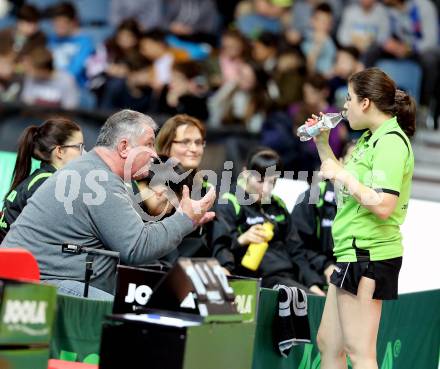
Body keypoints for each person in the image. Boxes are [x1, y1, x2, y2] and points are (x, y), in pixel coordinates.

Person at [1, 109, 216, 299]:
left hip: (39, 280)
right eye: (149, 144)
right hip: (38, 286)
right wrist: (183, 219)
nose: (153, 154)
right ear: (124, 147)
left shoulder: (94, 172)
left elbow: (135, 239)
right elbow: (138, 248)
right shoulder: (98, 180)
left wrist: (187, 221)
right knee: (126, 318)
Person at [312, 67, 415, 368]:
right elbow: (344, 183)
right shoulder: (370, 140)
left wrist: (343, 175)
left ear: (366, 103)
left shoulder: (391, 143)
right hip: (351, 251)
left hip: (368, 254)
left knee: (360, 352)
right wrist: (322, 141)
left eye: (349, 99)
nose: (344, 107)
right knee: (329, 344)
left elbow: (383, 204)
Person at [211, 148, 326, 294]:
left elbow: (296, 251)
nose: (266, 189)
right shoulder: (229, 202)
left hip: (289, 279)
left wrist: (313, 285)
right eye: (260, 180)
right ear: (246, 173)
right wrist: (241, 240)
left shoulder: (278, 205)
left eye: (272, 182)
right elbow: (220, 248)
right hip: (257, 281)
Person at [0, 118, 83, 240]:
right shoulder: (49, 185)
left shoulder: (42, 178)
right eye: (79, 147)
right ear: (59, 151)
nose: (84, 153)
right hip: (13, 254)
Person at [155, 114, 213, 264]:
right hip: (161, 267)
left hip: (195, 267)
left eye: (199, 142)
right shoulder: (152, 183)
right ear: (167, 145)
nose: (194, 149)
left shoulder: (204, 188)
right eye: (185, 142)